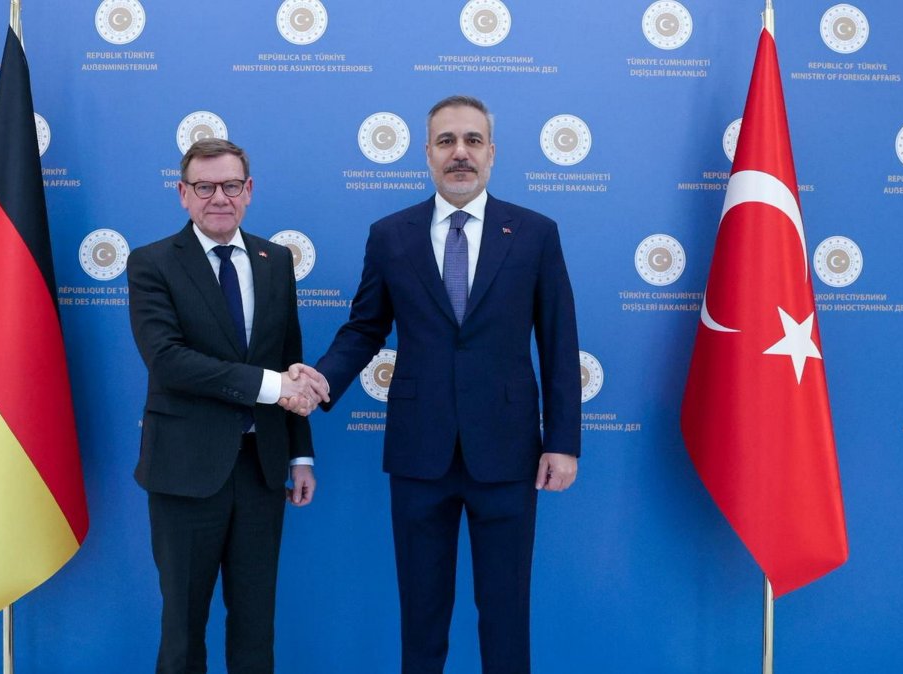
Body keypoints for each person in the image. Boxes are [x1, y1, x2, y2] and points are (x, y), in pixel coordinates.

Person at [297, 95, 581, 673]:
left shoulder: (534, 233)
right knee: (421, 616)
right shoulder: (389, 235)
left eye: (473, 141)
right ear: (426, 153)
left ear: (492, 154)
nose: (460, 153)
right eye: (447, 141)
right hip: (418, 454)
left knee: (506, 614)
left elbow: (558, 341)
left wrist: (564, 441)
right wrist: (319, 381)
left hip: (508, 453)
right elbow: (364, 327)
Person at [127, 138, 329, 674]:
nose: (220, 197)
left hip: (262, 472)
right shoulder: (151, 264)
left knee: (255, 629)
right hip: (185, 473)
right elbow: (168, 361)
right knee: (183, 631)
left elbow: (291, 360)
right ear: (183, 195)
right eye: (205, 187)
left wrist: (299, 456)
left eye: (231, 186)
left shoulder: (275, 260)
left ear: (249, 191)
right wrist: (271, 386)